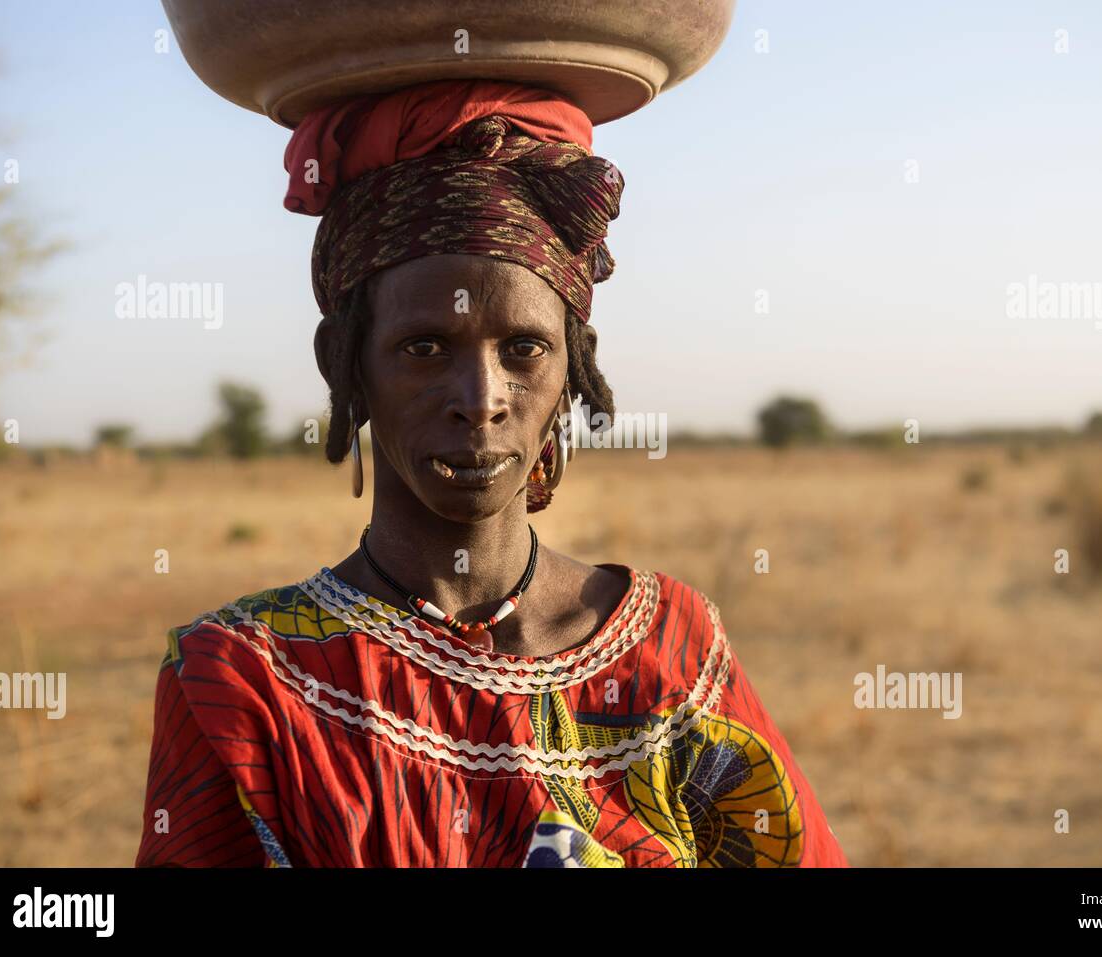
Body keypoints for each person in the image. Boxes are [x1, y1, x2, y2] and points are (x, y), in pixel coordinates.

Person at [134, 79, 848, 868]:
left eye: (524, 349)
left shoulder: (669, 650)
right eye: (425, 347)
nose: (482, 401)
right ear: (347, 366)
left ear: (572, 370)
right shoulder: (244, 680)